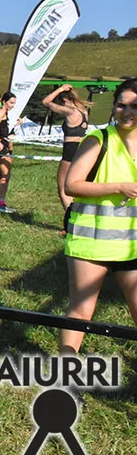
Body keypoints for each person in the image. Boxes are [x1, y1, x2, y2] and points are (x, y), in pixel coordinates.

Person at [58, 79, 137, 354]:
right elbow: (72, 184)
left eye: (135, 106)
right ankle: (65, 374)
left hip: (131, 245)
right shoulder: (98, 140)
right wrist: (119, 187)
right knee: (81, 312)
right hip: (91, 243)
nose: (127, 112)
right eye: (121, 105)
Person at [42, 83, 92, 215]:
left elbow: (46, 102)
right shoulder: (83, 110)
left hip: (70, 150)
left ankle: (69, 216)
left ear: (64, 99)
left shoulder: (70, 111)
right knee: (77, 184)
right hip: (81, 149)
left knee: (63, 188)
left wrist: (60, 89)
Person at [0, 92, 18, 213]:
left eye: (14, 103)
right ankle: (0, 203)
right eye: (11, 103)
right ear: (4, 102)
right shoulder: (1, 111)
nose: (12, 106)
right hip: (0, 146)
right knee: (5, 175)